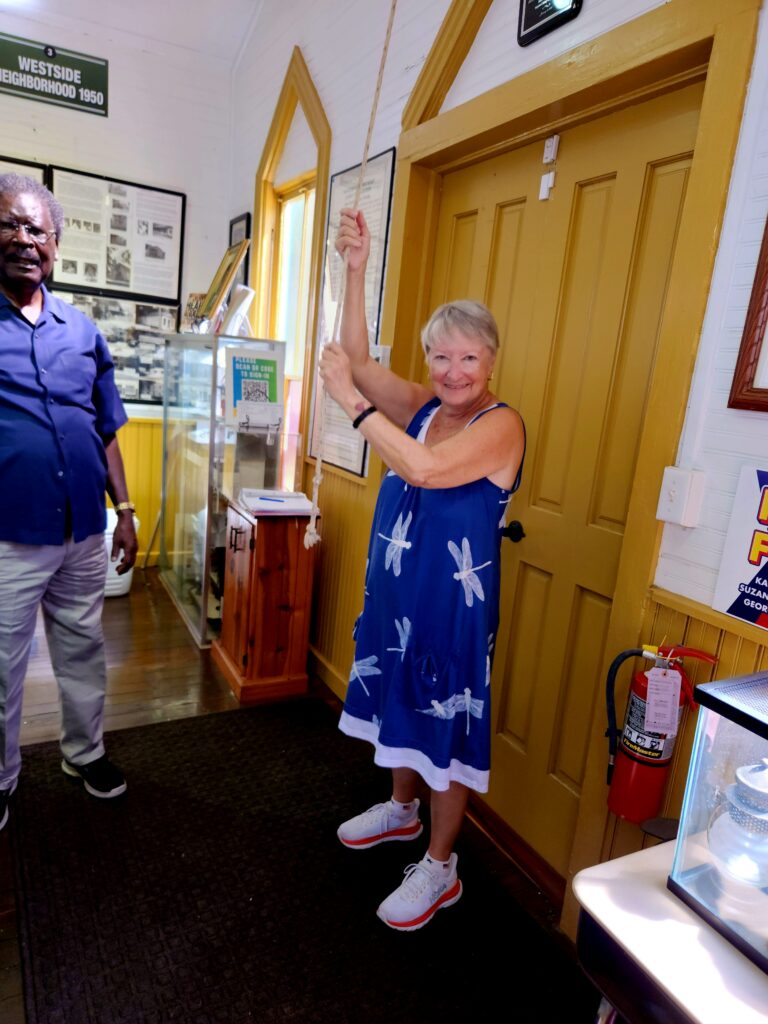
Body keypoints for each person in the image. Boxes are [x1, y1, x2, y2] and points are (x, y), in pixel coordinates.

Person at [319, 208, 525, 931]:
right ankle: (402, 810)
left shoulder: (500, 425)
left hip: (451, 608)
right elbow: (360, 362)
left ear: (491, 361)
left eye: (468, 359)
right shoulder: (425, 407)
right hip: (399, 596)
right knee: (402, 698)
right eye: (440, 358)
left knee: (445, 724)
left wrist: (349, 403)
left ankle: (441, 866)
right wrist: (355, 270)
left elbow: (425, 470)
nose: (452, 373)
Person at [0, 173, 137, 830]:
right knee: (2, 667)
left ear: (55, 245)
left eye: (37, 229)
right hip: (10, 535)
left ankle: (84, 753)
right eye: (10, 224)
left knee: (83, 648)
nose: (23, 239)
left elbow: (106, 430)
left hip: (83, 529)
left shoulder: (82, 332)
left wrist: (126, 512)